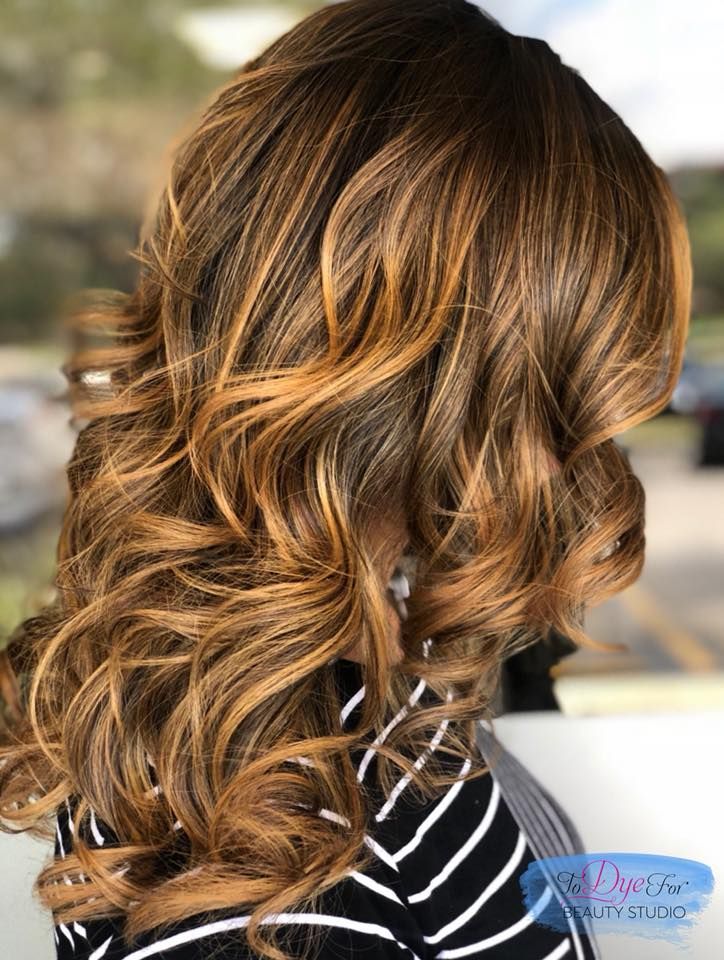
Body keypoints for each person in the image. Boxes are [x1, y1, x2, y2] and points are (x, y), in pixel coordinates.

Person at [0, 1, 691, 958]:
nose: (577, 456)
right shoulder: (273, 891)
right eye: (564, 399)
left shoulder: (305, 682)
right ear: (422, 395)